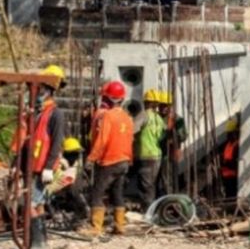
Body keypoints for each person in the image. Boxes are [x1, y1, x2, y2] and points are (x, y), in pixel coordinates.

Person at [12, 64, 67, 249]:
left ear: (49, 89)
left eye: (40, 88)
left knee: (29, 204)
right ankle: (41, 241)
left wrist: (49, 167)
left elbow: (57, 142)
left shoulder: (56, 114)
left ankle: (35, 243)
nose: (36, 92)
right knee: (39, 203)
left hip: (42, 166)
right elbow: (25, 141)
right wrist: (15, 164)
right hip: (31, 165)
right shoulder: (35, 113)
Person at [83, 80, 134, 237]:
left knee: (98, 193)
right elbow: (130, 140)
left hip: (109, 160)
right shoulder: (127, 117)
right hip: (124, 160)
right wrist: (129, 159)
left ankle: (95, 227)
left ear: (108, 99)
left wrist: (91, 158)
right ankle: (120, 226)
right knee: (117, 193)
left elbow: (102, 140)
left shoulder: (108, 116)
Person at [135, 89, 166, 206]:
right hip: (156, 154)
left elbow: (132, 130)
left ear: (147, 102)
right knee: (151, 185)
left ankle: (148, 211)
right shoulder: (158, 118)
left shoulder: (144, 115)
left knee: (145, 186)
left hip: (146, 154)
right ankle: (152, 209)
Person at [47, 137, 89, 222]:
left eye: (76, 153)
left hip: (65, 187)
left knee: (74, 187)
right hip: (57, 187)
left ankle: (81, 211)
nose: (76, 156)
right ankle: (80, 211)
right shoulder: (60, 163)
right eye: (74, 153)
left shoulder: (74, 165)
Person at [220, 116, 240, 199]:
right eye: (228, 133)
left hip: (233, 177)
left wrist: (226, 163)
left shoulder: (237, 146)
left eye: (230, 133)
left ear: (235, 133)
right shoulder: (228, 144)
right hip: (226, 176)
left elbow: (236, 163)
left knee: (232, 197)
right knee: (228, 196)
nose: (228, 135)